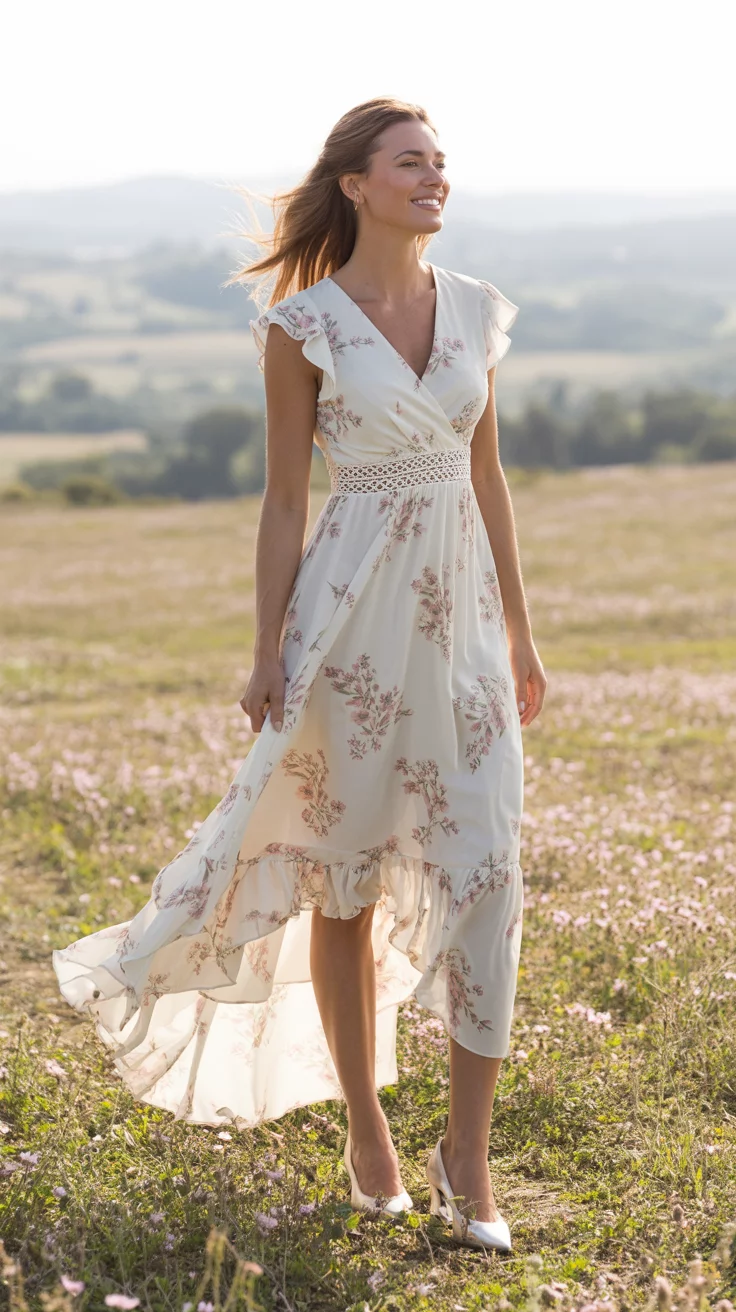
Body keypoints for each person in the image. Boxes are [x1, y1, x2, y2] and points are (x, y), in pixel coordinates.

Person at [52, 96, 547, 1252]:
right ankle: (368, 1129)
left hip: (464, 634)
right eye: (409, 162)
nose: (433, 177)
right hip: (348, 627)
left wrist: (521, 634)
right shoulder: (303, 327)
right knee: (344, 878)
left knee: (487, 869)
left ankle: (467, 1155)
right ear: (356, 185)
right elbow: (283, 502)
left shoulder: (477, 309)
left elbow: (487, 479)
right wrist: (265, 646)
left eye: (440, 162)